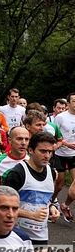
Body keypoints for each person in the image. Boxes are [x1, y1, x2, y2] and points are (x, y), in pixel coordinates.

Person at [51, 92, 75, 222]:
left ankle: (65, 205)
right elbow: (55, 136)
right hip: (60, 153)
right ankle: (52, 201)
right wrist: (66, 144)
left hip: (74, 155)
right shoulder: (61, 117)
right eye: (74, 101)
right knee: (59, 184)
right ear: (68, 104)